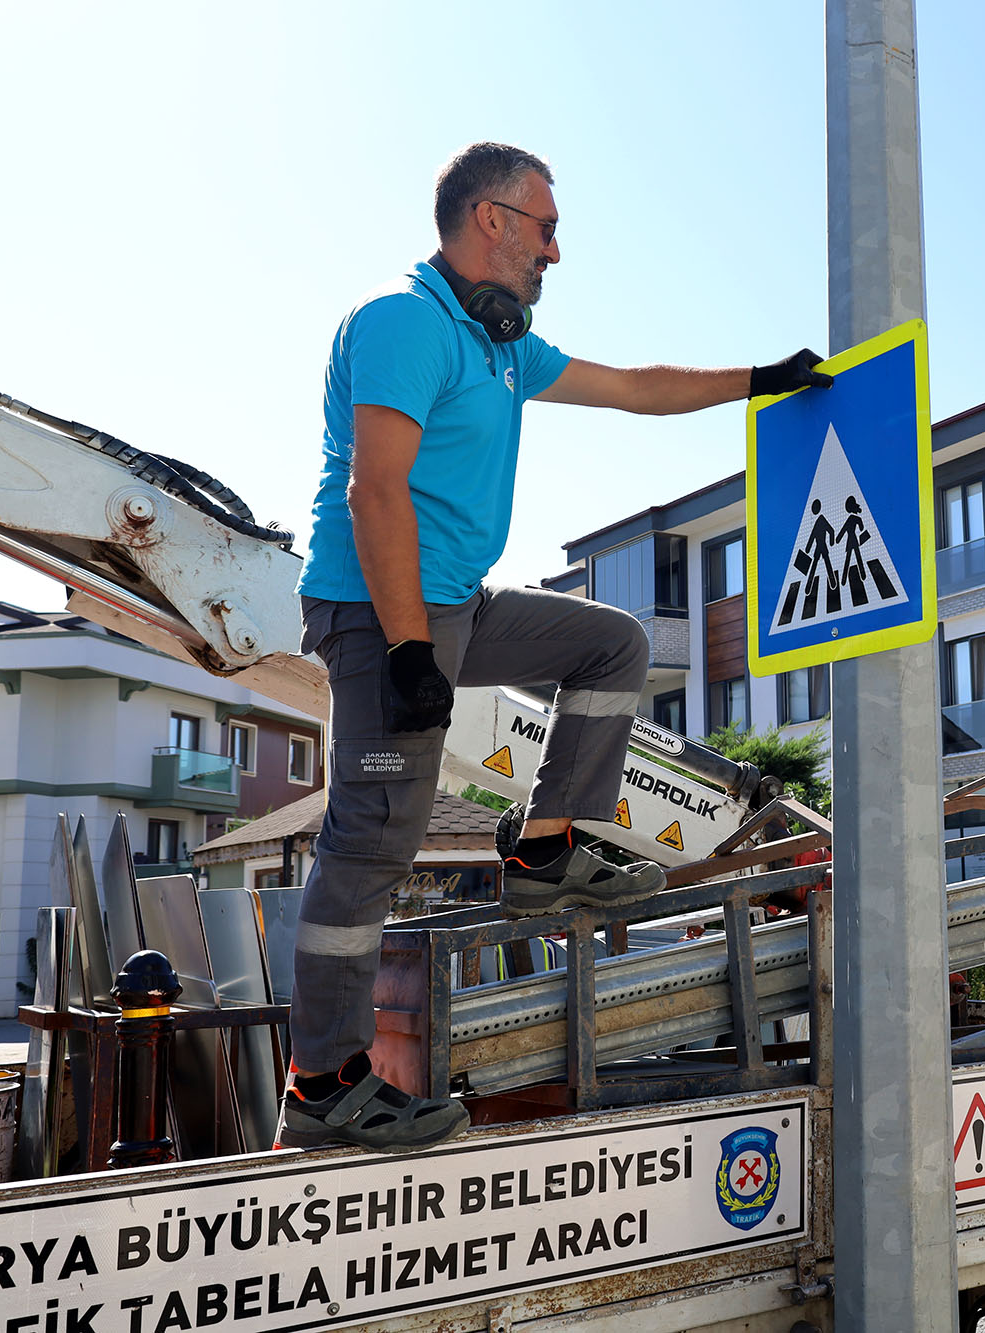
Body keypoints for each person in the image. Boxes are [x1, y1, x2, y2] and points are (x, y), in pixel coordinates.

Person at [275, 142, 833, 1153]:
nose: (554, 250)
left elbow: (632, 387)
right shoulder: (403, 321)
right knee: (371, 843)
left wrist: (760, 380)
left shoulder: (500, 347)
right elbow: (374, 490)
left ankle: (545, 847)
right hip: (379, 606)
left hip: (455, 601)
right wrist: (407, 653)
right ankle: (322, 1083)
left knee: (610, 645)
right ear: (489, 219)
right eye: (544, 226)